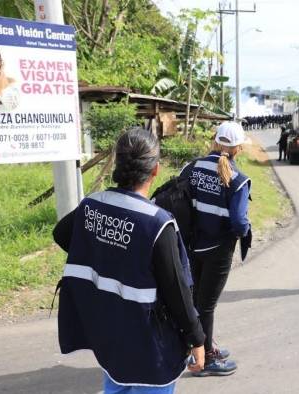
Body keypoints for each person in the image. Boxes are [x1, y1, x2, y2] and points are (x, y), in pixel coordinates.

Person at [53, 128, 205, 394]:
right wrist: (197, 339)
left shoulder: (93, 205)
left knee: (116, 383)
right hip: (149, 348)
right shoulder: (157, 223)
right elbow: (177, 292)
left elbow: (62, 234)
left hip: (110, 334)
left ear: (117, 163)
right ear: (155, 170)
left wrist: (106, 255)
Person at [180, 121, 251, 376]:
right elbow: (240, 222)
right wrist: (244, 231)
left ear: (215, 140)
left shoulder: (191, 167)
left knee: (196, 298)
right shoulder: (238, 179)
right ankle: (207, 357)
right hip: (219, 249)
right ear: (238, 148)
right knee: (207, 303)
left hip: (190, 246)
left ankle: (198, 346)